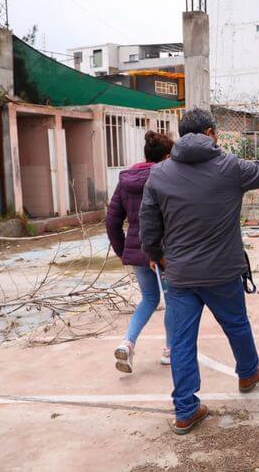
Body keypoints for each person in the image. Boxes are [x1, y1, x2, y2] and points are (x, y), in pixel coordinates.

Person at [139, 107, 259, 435]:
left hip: (180, 275)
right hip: (222, 272)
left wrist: (157, 256)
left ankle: (186, 410)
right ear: (209, 133)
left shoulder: (159, 174)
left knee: (182, 341)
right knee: (236, 324)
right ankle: (248, 372)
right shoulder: (229, 167)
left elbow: (148, 225)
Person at [106, 130, 174, 373]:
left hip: (137, 250)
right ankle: (170, 349)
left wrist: (124, 251)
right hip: (164, 252)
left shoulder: (125, 180)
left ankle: (128, 342)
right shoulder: (165, 178)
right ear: (166, 156)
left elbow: (112, 221)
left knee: (149, 299)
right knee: (173, 300)